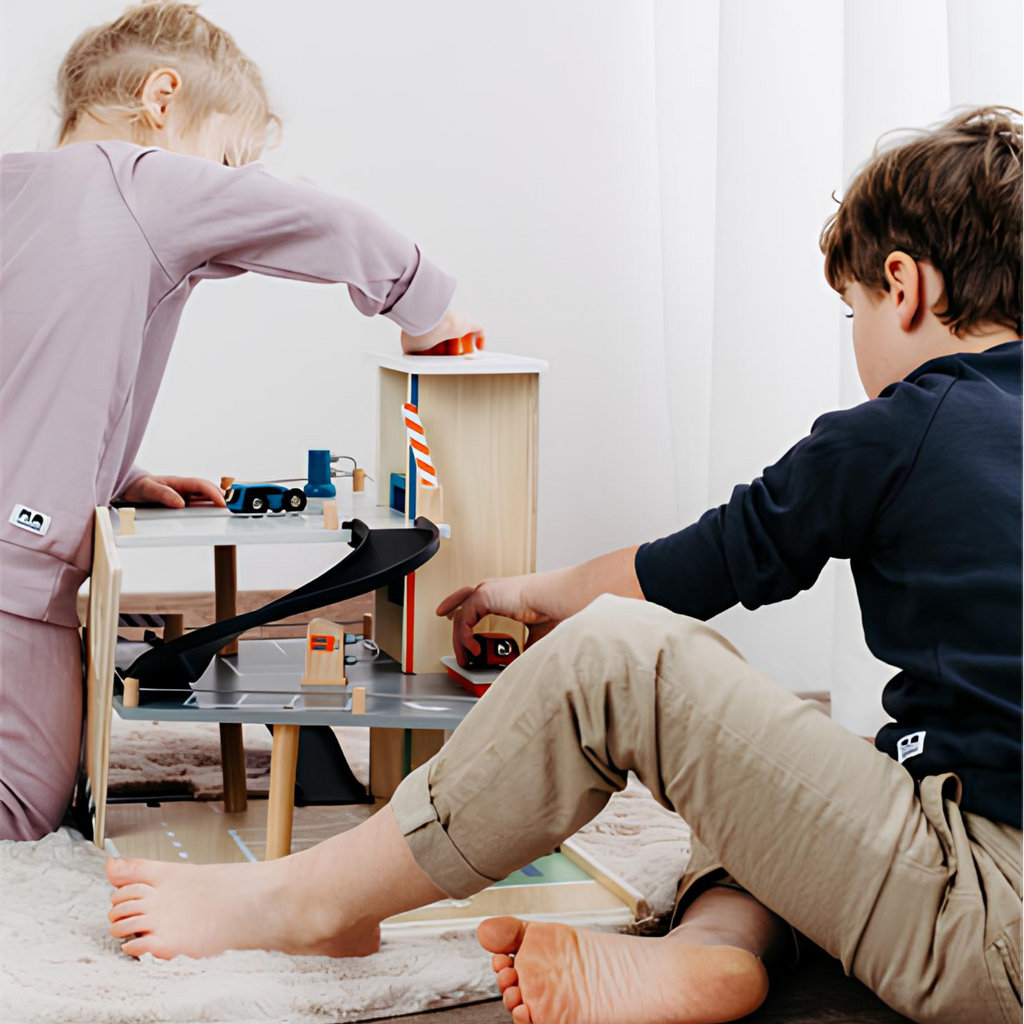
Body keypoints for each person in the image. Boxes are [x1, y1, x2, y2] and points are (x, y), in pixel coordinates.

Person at [106, 104, 1022, 1024]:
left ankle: (307, 904)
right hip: (980, 889)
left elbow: (695, 568)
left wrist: (533, 593)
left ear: (901, 286)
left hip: (987, 922)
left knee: (620, 656)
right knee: (808, 763)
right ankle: (715, 948)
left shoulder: (908, 424)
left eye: (853, 308)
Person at [0, 0, 478, 842]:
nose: (222, 184)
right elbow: (327, 221)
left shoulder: (15, 186)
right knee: (27, 807)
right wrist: (425, 310)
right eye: (225, 159)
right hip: (14, 583)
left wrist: (113, 481)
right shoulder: (140, 177)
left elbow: (35, 368)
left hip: (20, 544)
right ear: (162, 97)